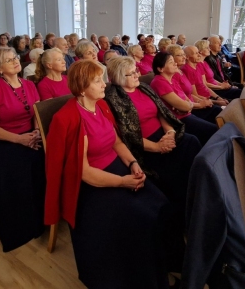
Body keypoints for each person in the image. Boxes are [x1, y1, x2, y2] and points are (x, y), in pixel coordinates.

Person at [45, 60, 173, 289]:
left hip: (116, 168)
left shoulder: (102, 106)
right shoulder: (70, 118)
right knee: (141, 217)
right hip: (92, 184)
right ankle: (141, 280)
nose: (105, 84)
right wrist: (123, 181)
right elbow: (84, 172)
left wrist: (133, 163)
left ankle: (159, 268)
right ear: (82, 88)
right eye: (97, 81)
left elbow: (116, 142)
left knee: (161, 203)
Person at [105, 56, 202, 202]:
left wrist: (170, 132)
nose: (137, 74)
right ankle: (185, 202)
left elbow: (161, 112)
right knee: (173, 172)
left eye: (136, 70)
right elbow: (128, 135)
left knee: (191, 142)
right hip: (145, 145)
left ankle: (199, 189)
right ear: (119, 77)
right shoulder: (114, 99)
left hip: (164, 135)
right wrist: (157, 147)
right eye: (132, 73)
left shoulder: (143, 87)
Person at [0, 47, 44, 252]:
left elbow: (35, 111)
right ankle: (18, 230)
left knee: (43, 164)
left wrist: (35, 132)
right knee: (13, 171)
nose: (16, 61)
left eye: (15, 57)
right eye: (9, 60)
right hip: (1, 139)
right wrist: (20, 140)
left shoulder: (29, 84)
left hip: (28, 135)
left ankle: (40, 222)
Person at [150, 52, 218, 145]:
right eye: (170, 62)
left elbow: (186, 102)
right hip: (177, 120)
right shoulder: (159, 82)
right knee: (213, 130)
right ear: (160, 68)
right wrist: (187, 106)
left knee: (216, 115)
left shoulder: (172, 79)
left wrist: (186, 106)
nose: (175, 64)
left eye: (174, 61)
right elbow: (184, 106)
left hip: (186, 114)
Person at [168, 44, 222, 123]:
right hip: (189, 109)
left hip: (195, 103)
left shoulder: (181, 71)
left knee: (220, 110)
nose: (184, 57)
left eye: (184, 54)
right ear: (172, 58)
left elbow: (189, 94)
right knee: (217, 114)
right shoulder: (176, 74)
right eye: (180, 55)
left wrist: (213, 99)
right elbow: (183, 99)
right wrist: (205, 103)